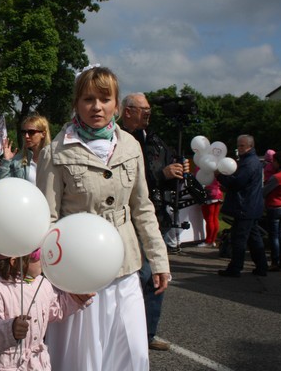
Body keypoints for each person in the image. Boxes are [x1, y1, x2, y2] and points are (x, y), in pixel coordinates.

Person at [37, 66, 171, 370]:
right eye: (88, 99)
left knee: (131, 351)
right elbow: (48, 218)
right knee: (83, 358)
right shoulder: (55, 152)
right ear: (76, 103)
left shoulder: (130, 146)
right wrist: (55, 275)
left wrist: (159, 259)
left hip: (124, 268)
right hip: (78, 273)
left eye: (104, 98)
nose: (96, 106)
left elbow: (143, 208)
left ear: (117, 105)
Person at [120, 92, 186, 351]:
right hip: (127, 219)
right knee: (136, 276)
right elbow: (131, 182)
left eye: (149, 109)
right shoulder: (118, 140)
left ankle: (147, 334)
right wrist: (161, 174)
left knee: (156, 276)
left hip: (155, 216)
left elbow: (164, 168)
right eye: (142, 109)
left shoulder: (155, 139)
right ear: (127, 111)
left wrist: (177, 171)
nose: (148, 113)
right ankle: (124, 333)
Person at [0, 249, 94, 371]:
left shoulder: (42, 284)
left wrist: (77, 299)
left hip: (36, 363)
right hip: (3, 365)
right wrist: (10, 329)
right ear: (15, 262)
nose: (44, 259)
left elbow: (54, 309)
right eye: (37, 255)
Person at [217, 134, 268, 278]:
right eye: (238, 145)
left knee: (239, 239)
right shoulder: (251, 161)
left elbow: (238, 182)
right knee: (253, 238)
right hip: (250, 205)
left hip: (245, 206)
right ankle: (261, 266)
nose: (239, 148)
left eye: (242, 145)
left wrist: (220, 176)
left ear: (250, 146)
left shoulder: (249, 163)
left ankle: (235, 268)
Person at [0, 115, 51, 183]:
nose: (26, 136)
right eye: (24, 132)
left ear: (43, 134)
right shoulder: (18, 160)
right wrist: (6, 160)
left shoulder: (54, 159)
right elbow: (2, 183)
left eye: (31, 132)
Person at [199, 172, 223, 248]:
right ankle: (213, 240)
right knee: (214, 218)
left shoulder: (203, 168)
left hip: (210, 194)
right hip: (218, 194)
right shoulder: (218, 168)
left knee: (209, 219)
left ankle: (208, 241)